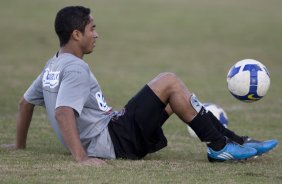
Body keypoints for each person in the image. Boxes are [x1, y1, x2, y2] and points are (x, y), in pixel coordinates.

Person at [3, 6, 278, 166]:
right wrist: (81, 158)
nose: (96, 34)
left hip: (112, 131)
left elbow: (25, 103)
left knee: (173, 98)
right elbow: (64, 112)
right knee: (169, 80)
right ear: (76, 34)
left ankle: (233, 142)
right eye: (92, 29)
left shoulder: (53, 65)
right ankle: (221, 145)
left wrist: (20, 145)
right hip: (112, 141)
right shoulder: (76, 67)